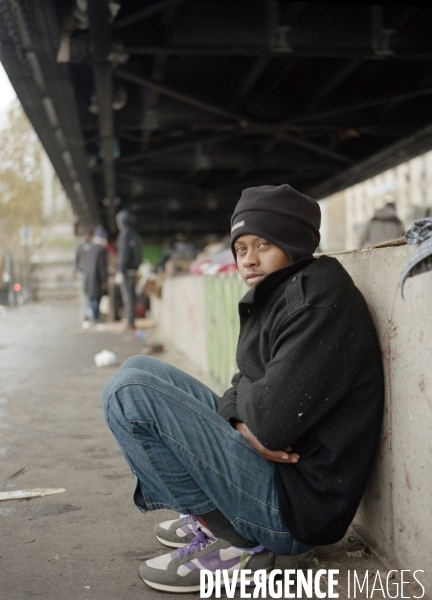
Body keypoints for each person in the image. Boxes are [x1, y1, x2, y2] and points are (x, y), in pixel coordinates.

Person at [102, 184, 384, 593]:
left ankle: (239, 542)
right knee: (138, 367)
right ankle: (215, 520)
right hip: (278, 479)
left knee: (131, 390)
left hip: (294, 511)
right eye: (240, 248)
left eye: (263, 244)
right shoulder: (281, 292)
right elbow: (242, 382)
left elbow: (269, 425)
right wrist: (238, 422)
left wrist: (251, 417)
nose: (248, 260)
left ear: (293, 243)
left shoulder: (314, 301)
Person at [114, 210, 142, 330]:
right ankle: (131, 319)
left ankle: (130, 322)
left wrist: (121, 269)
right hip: (134, 269)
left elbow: (124, 254)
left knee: (128, 296)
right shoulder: (134, 234)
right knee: (131, 295)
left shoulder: (124, 234)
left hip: (127, 270)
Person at [84, 225, 108, 322]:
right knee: (97, 298)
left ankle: (95, 316)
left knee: (92, 297)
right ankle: (96, 317)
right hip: (96, 277)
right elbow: (102, 266)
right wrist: (104, 279)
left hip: (89, 276)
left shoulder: (91, 247)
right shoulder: (101, 249)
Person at [74, 228, 92, 324]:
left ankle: (89, 312)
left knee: (89, 292)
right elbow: (76, 260)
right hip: (82, 272)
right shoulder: (80, 247)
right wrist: (75, 272)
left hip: (89, 272)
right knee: (83, 293)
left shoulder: (90, 246)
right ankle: (83, 312)